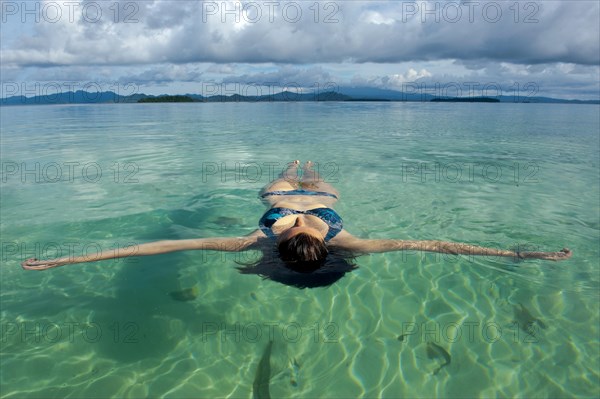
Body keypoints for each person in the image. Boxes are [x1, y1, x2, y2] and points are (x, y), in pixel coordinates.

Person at [22, 161, 572, 288]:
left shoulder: (258, 234)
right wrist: (520, 253)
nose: (303, 228)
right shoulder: (347, 237)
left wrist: (68, 258)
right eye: (305, 234)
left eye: (300, 233)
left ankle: (293, 169)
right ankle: (300, 167)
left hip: (276, 198)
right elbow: (434, 244)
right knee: (312, 178)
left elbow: (163, 245)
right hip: (326, 196)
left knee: (286, 179)